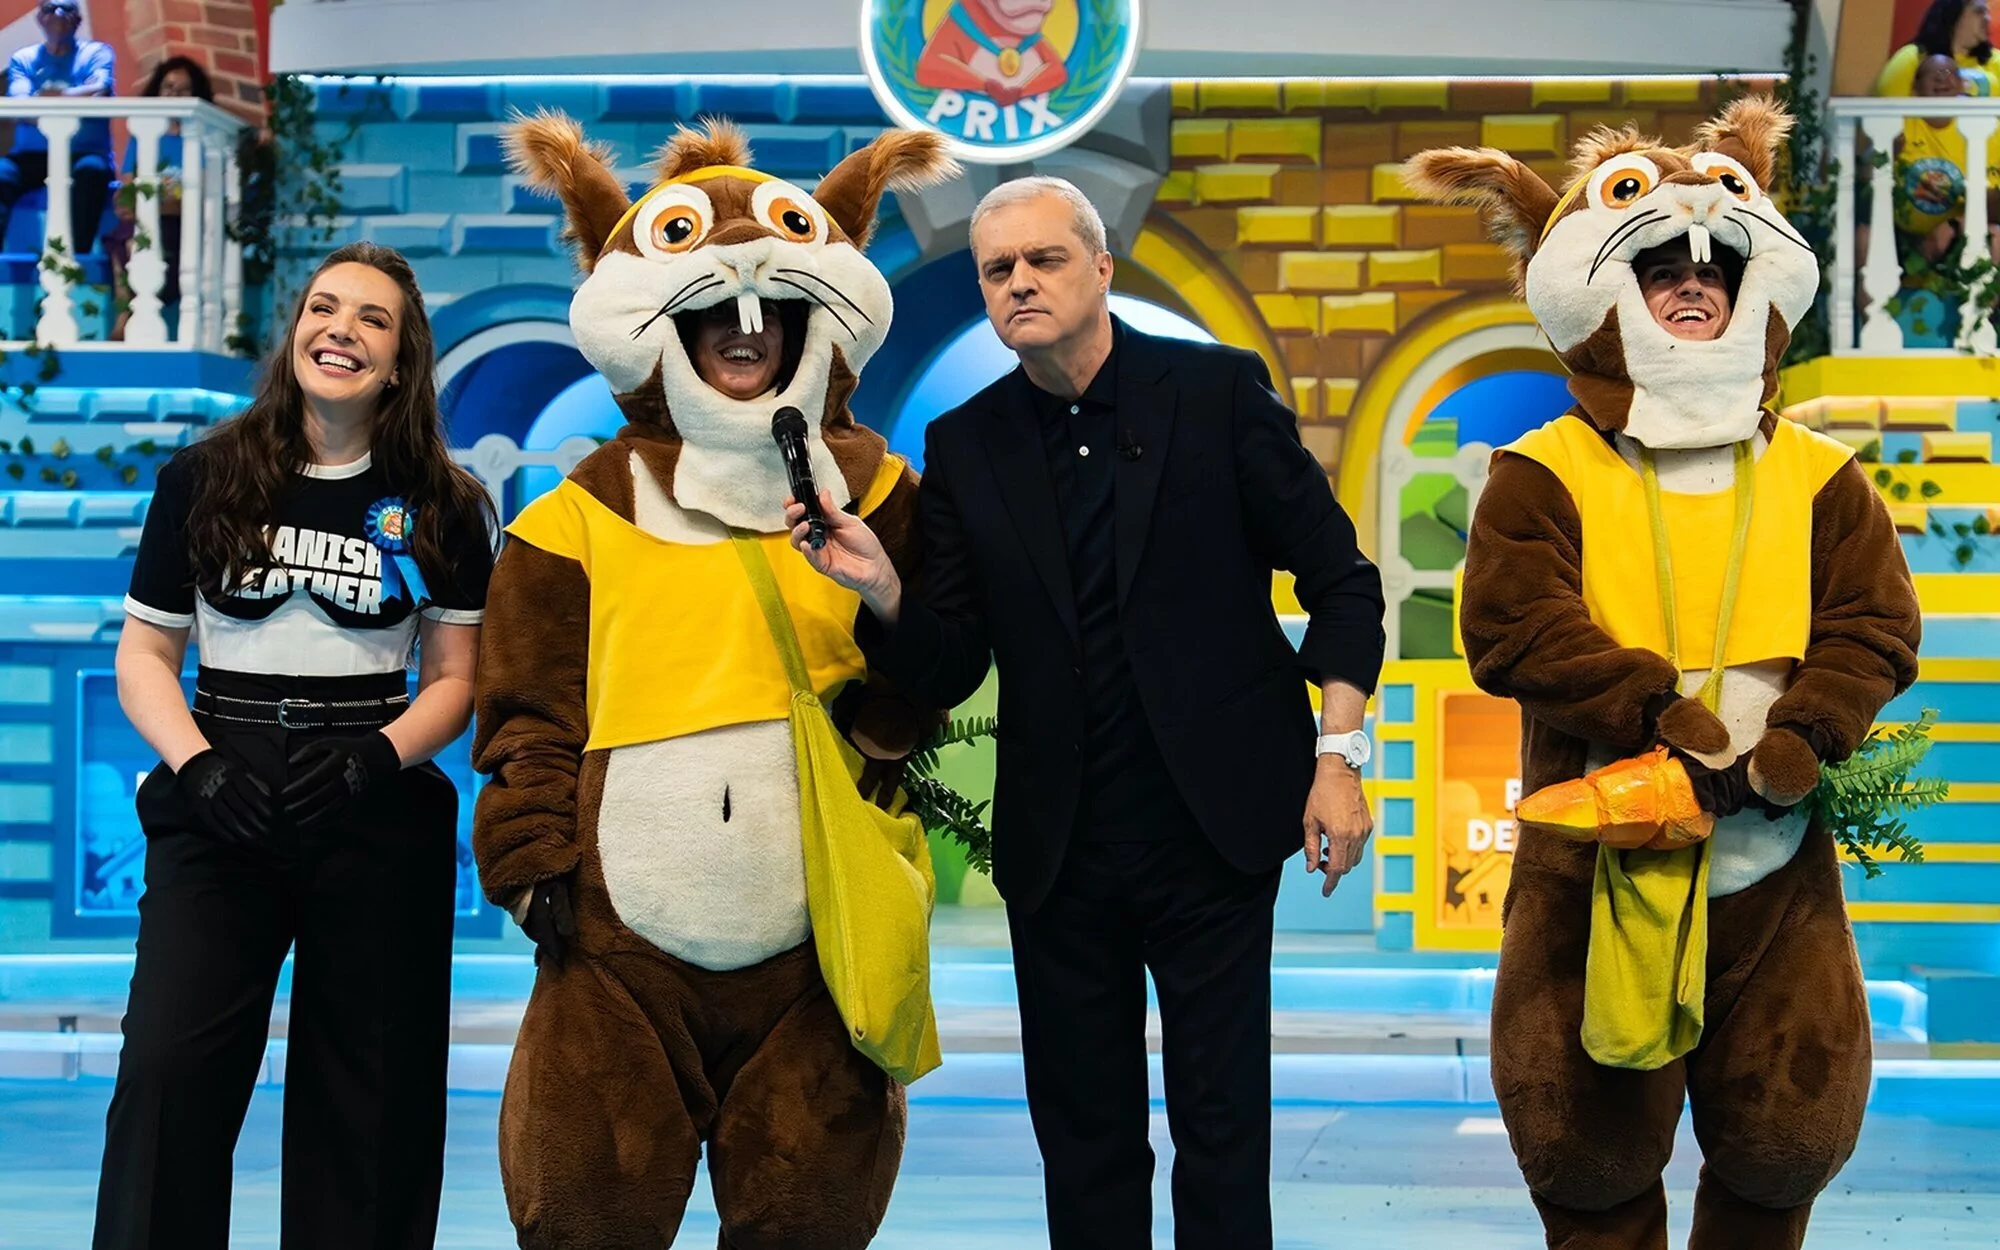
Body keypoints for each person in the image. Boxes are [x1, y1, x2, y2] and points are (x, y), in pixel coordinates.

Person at [788, 174, 1386, 1249]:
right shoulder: (967, 444)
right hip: (1059, 846)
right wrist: (882, 587)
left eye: (1043, 259)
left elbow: (1342, 584)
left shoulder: (1215, 393)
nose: (1018, 282)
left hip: (1213, 831)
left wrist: (1336, 757)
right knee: (1083, 1142)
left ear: (1101, 268)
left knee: (1221, 1132)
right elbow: (952, 664)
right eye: (996, 270)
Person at [1410, 98, 1918, 1250]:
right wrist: (1650, 708)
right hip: (1590, 856)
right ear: (1607, 291)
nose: (1690, 285)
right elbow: (1511, 626)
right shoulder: (1541, 471)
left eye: (1709, 271)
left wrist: (1806, 730)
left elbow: (1874, 622)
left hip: (1772, 863)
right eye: (1660, 271)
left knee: (1782, 1137)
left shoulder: (1818, 475)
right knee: (1584, 1150)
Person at [91, 241, 496, 1250]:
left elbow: (456, 679)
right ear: (296, 332)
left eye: (372, 319)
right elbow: (145, 652)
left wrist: (379, 756)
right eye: (325, 307)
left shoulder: (445, 503)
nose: (340, 329)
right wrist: (197, 763)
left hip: (371, 794)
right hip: (219, 789)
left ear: (399, 362)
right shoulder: (203, 475)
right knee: (168, 1071)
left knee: (373, 1096)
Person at [108, 55, 211, 341]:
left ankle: (127, 320)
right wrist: (130, 203)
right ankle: (124, 318)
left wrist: (153, 203)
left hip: (179, 224)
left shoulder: (202, 140)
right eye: (168, 88)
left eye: (184, 90)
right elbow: (128, 188)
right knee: (124, 236)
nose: (174, 96)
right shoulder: (143, 134)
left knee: (146, 239)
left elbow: (194, 199)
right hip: (145, 218)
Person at [0, 0, 114, 253]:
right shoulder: (24, 59)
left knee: (92, 172)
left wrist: (47, 97)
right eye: (50, 8)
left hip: (85, 153)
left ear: (78, 20)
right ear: (40, 18)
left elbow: (99, 91)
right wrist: (76, 98)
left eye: (67, 9)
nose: (59, 14)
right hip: (31, 156)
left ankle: (76, 259)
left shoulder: (96, 53)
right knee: (1, 173)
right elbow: (21, 107)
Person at [1876, 0, 1996, 96]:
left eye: (1987, 12)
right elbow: (1887, 108)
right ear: (1953, 15)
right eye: (1979, 12)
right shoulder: (1914, 57)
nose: (1987, 18)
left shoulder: (1995, 59)